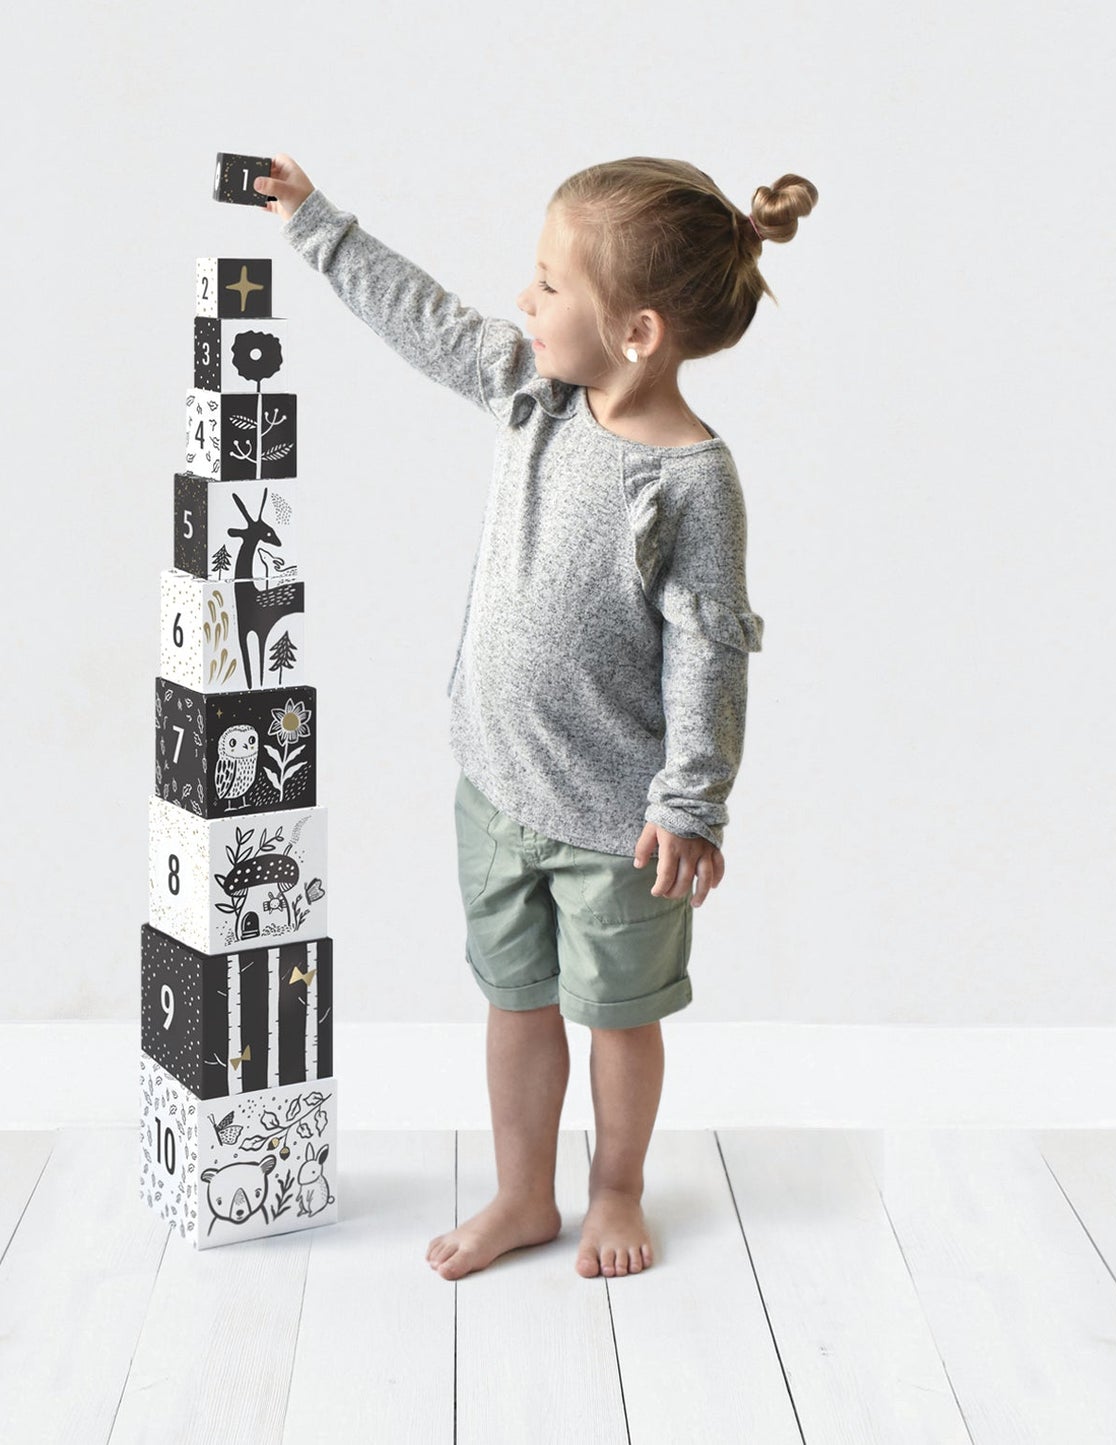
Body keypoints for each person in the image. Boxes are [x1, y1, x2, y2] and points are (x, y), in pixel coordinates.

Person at [252, 153, 817, 1282]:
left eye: (550, 283)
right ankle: (521, 1192)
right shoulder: (529, 391)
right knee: (514, 1002)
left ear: (638, 332)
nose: (523, 299)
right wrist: (312, 219)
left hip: (620, 827)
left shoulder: (691, 482)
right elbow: (420, 317)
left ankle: (614, 1186)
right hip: (495, 785)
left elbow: (708, 652)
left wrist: (691, 802)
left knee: (615, 1016)